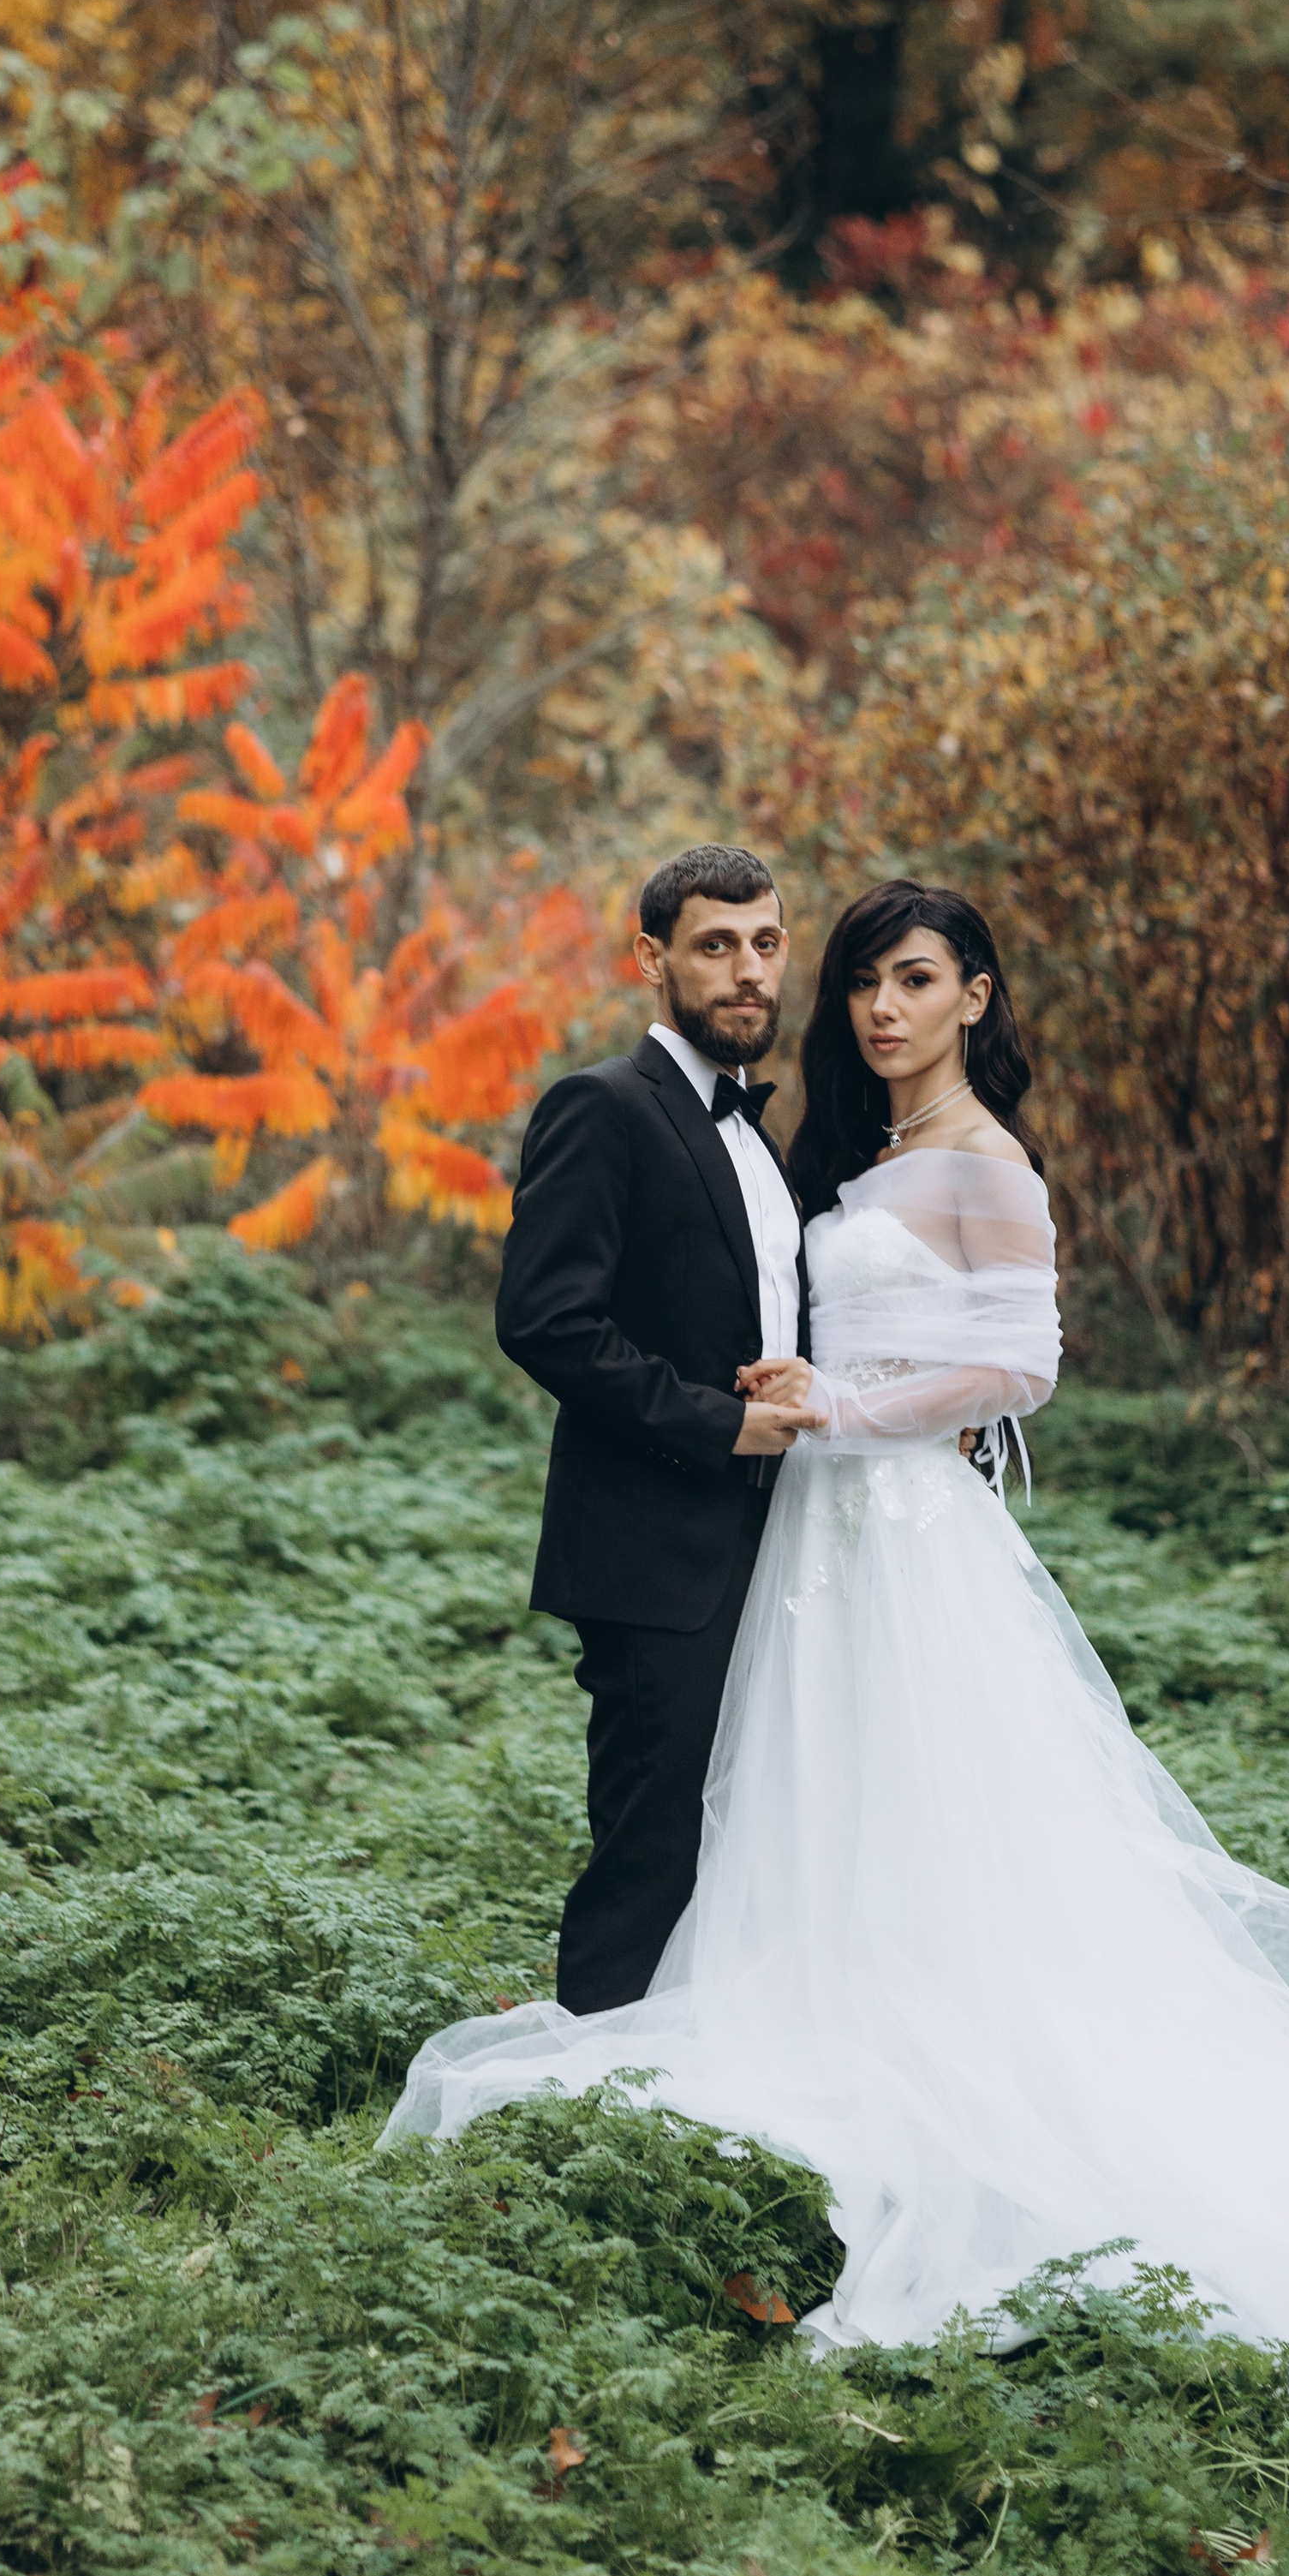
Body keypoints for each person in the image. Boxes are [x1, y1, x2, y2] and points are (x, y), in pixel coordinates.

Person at [388, 878, 1289, 2406]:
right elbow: (613, 1318)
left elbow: (1022, 1366)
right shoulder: (819, 1148)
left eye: (910, 978)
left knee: (929, 1824)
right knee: (782, 1816)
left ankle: (936, 2112)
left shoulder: (987, 1160)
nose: (878, 1006)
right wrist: (795, 1409)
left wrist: (840, 1411)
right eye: (861, 978)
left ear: (975, 996)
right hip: (795, 1538)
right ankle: (680, 2115)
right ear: (658, 960)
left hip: (892, 1535)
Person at [492, 843, 810, 2017]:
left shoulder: (759, 1139)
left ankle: (692, 2076)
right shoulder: (603, 1107)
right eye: (716, 946)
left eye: (765, 944)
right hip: (652, 1552)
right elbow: (545, 1322)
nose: (747, 972)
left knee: (748, 1841)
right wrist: (722, 1425)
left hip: (775, 1546)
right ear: (651, 958)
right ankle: (590, 2085)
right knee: (653, 1846)